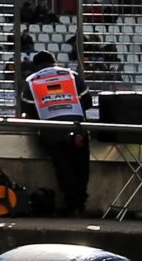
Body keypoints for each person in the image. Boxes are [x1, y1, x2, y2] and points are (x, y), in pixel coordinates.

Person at [17, 54, 89, 214]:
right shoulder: (71, 75)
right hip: (77, 128)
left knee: (64, 168)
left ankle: (72, 206)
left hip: (52, 131)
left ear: (35, 65)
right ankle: (81, 204)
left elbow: (27, 110)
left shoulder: (31, 81)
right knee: (81, 167)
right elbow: (87, 101)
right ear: (54, 62)